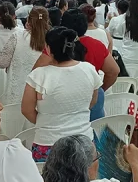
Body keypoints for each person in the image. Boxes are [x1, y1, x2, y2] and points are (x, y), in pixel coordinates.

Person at [22, 27, 102, 161]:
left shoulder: (38, 75)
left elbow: (26, 110)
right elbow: (92, 101)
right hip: (83, 139)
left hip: (48, 142)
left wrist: (48, 122)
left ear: (48, 49)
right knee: (84, 180)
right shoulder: (89, 69)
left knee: (48, 181)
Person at [0, 7, 50, 106]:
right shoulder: (51, 39)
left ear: (28, 20)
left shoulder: (18, 36)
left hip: (16, 94)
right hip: (42, 94)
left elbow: (1, 62)